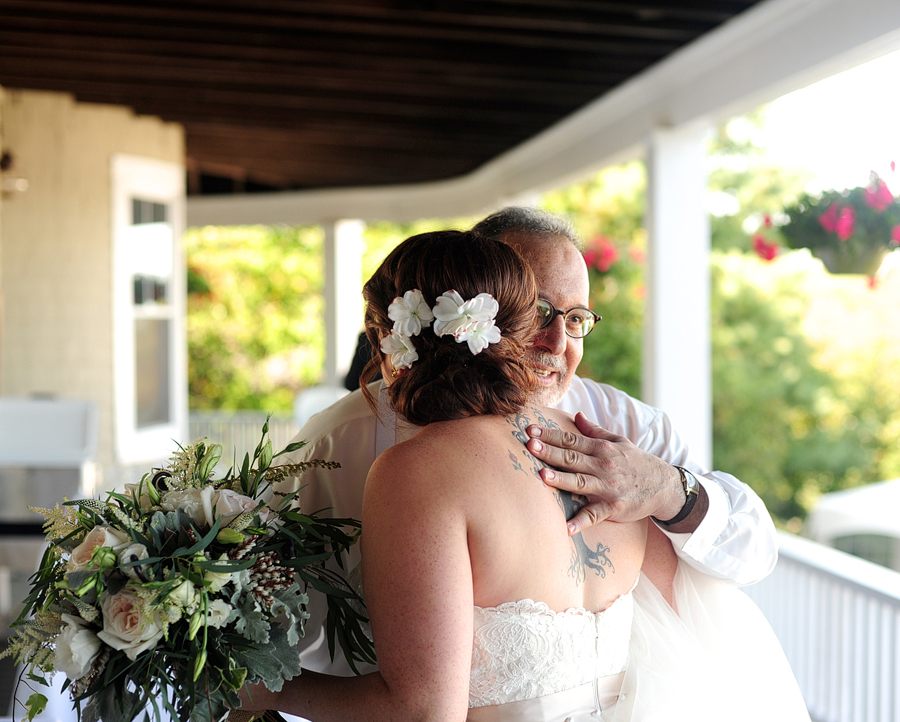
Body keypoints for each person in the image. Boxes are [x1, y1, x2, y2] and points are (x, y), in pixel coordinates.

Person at [246, 230, 808, 722]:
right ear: (503, 313)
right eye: (541, 312)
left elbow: (420, 713)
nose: (557, 340)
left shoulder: (420, 469)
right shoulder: (600, 442)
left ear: (390, 338)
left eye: (577, 320)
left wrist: (261, 689)